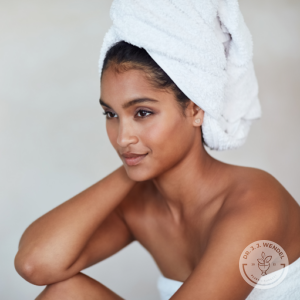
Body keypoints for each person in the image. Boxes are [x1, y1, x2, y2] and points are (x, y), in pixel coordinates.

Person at [14, 1, 300, 300]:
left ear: (195, 109)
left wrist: (139, 158)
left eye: (142, 113)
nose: (123, 137)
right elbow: (35, 264)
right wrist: (132, 166)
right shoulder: (139, 206)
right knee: (65, 293)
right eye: (111, 115)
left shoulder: (256, 200)